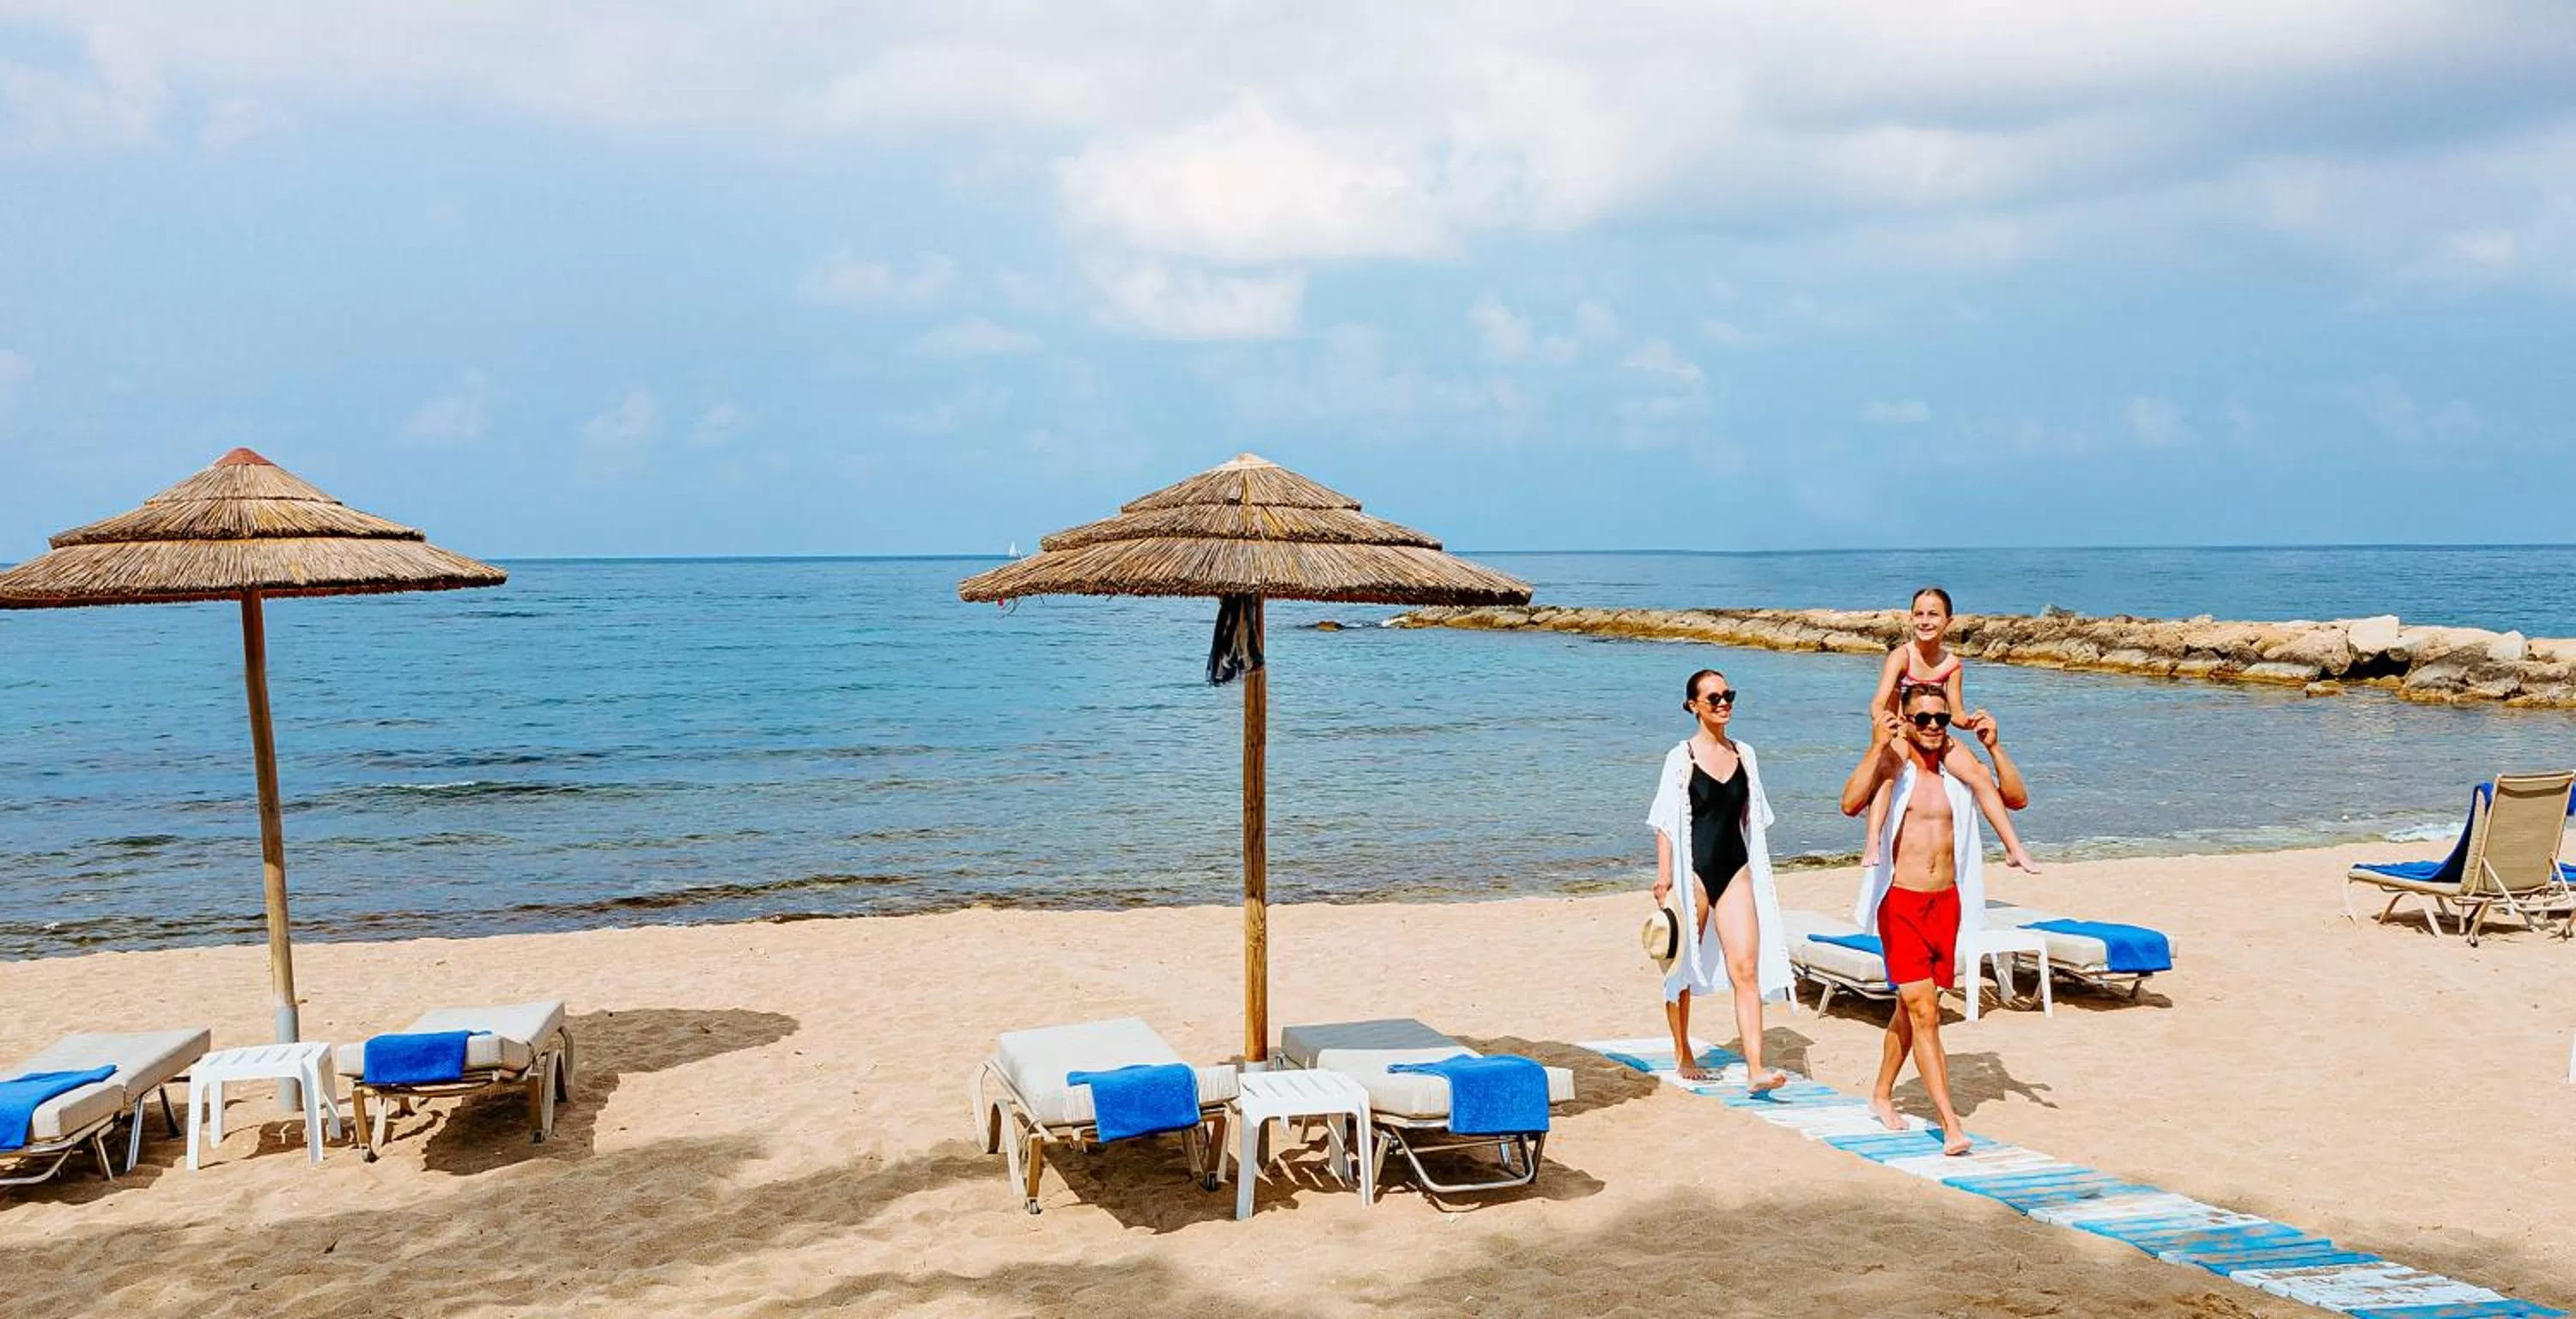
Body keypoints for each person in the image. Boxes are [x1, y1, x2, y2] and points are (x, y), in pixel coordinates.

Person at [1838, 683, 2037, 1154]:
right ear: (1905, 719)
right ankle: (1951, 1124)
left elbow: (2010, 796)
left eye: (1940, 719)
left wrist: (1994, 748)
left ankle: (1881, 1094)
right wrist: (1875, 746)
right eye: (1923, 718)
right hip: (1902, 903)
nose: (1932, 727)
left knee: (1910, 1011)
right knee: (1926, 1013)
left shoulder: (1955, 758)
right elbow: (1849, 804)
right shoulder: (1894, 760)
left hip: (1947, 904)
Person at [1649, 669, 1795, 1092]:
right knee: (1681, 968)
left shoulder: (1745, 754)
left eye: (1728, 695)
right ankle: (1683, 1052)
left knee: (1745, 969)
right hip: (1692, 871)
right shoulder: (1681, 758)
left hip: (1736, 870)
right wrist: (1664, 877)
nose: (1723, 703)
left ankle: (1755, 1069)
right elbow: (1664, 822)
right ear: (1693, 706)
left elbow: (1754, 819)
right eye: (1713, 698)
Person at [1862, 587, 1987, 865]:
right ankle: (1872, 842)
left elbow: (1956, 714)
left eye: (1933, 614)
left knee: (1979, 774)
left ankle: (2012, 847)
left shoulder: (1953, 664)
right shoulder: (1901, 656)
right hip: (1902, 732)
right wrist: (1883, 721)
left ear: (1948, 622)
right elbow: (1878, 702)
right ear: (1910, 618)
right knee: (1887, 773)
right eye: (1919, 614)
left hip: (1933, 733)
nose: (1925, 621)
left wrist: (1971, 722)